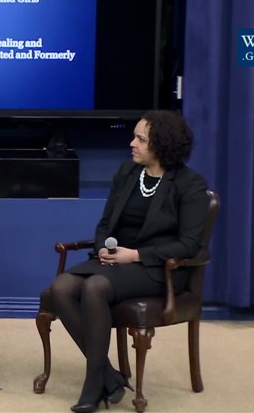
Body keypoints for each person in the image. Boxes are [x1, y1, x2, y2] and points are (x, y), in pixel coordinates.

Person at [48, 110, 210, 413]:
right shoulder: (127, 172)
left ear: (162, 145)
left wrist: (135, 255)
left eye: (141, 138)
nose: (131, 143)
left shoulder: (190, 184)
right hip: (116, 261)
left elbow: (189, 244)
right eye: (134, 136)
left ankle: (94, 384)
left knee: (95, 287)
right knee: (60, 287)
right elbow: (105, 223)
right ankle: (110, 376)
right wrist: (103, 249)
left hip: (157, 268)